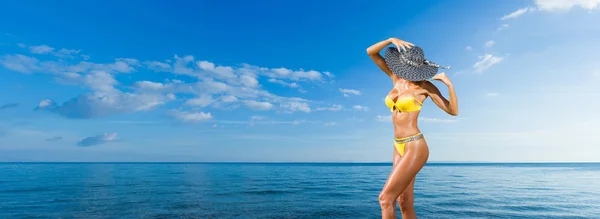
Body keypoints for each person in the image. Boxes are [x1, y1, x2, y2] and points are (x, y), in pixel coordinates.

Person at [366, 37, 459, 219]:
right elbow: (371, 52)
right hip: (397, 145)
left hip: (415, 146)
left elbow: (452, 110)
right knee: (404, 202)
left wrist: (449, 85)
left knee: (385, 199)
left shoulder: (424, 86)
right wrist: (390, 40)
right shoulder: (395, 77)